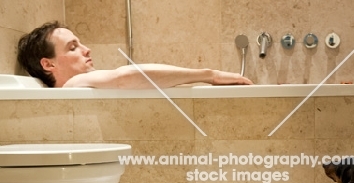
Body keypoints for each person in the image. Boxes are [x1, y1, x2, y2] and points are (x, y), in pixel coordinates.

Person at [17, 21, 253, 88]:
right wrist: (209, 75)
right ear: (48, 65)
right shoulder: (73, 84)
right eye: (72, 47)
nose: (86, 49)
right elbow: (126, 76)